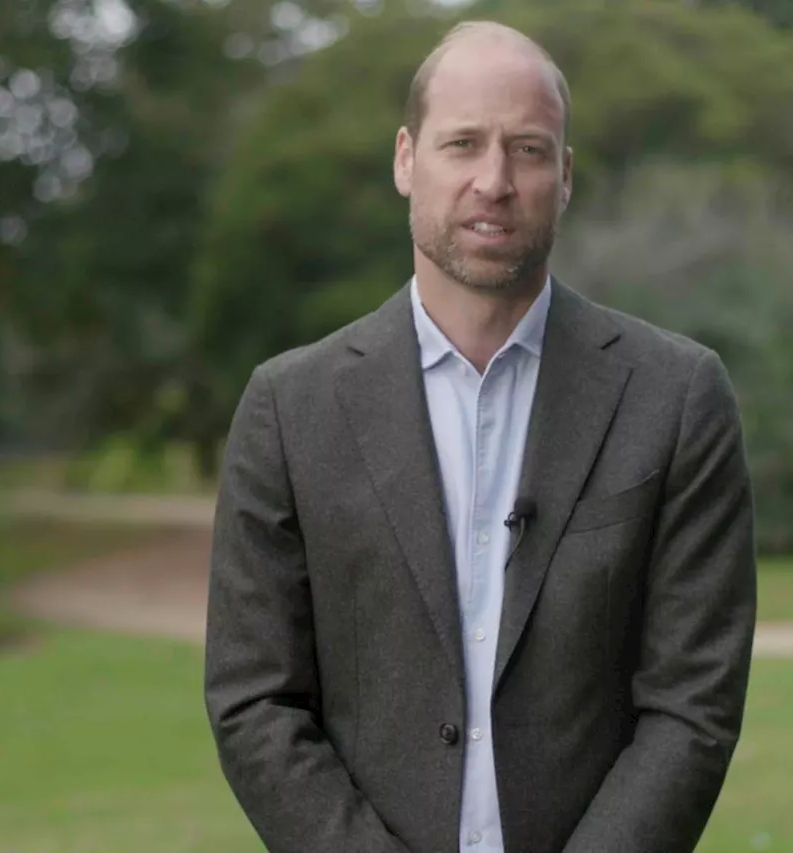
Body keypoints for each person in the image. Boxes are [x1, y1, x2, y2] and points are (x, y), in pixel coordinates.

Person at [203, 19, 757, 853]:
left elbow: (693, 703)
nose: (493, 180)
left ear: (565, 176)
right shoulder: (290, 408)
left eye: (528, 150)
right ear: (405, 159)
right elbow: (255, 699)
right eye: (462, 144)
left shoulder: (675, 396)